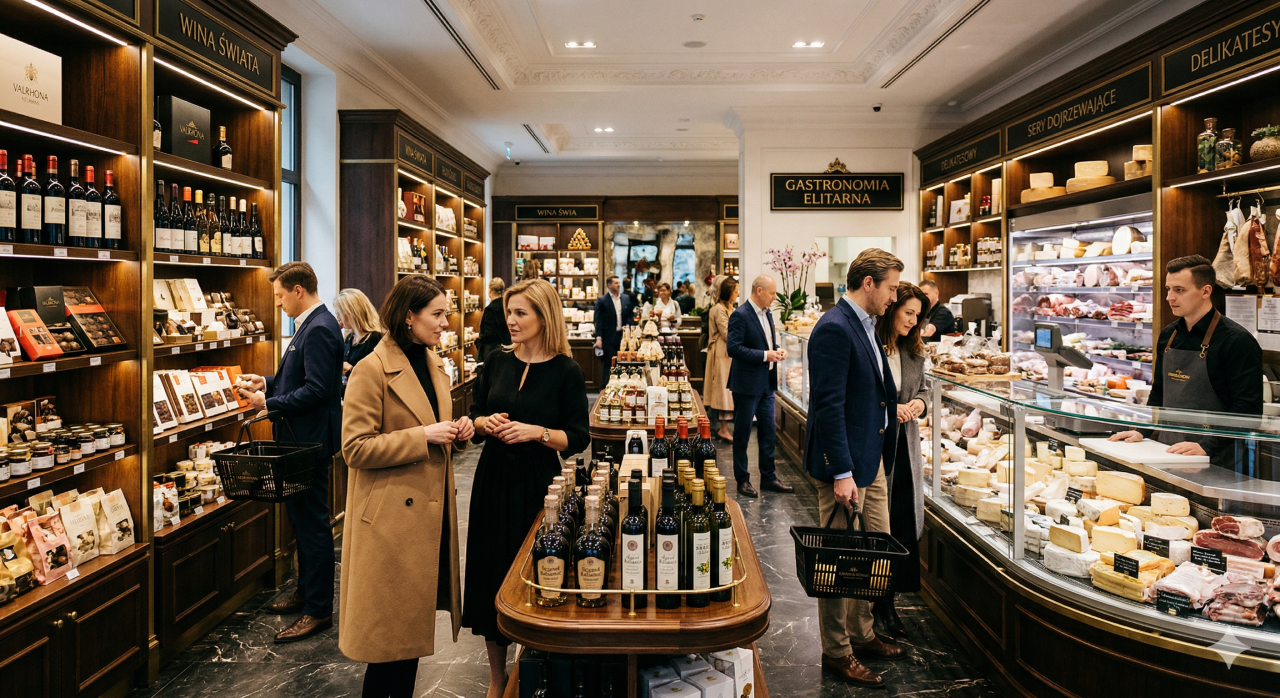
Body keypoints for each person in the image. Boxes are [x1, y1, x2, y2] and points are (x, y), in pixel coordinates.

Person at [339, 275, 474, 698]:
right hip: (389, 526)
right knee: (389, 644)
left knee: (406, 642)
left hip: (424, 517)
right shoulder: (371, 368)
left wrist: (459, 432)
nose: (445, 323)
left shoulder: (431, 361)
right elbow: (355, 449)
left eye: (446, 314)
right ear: (409, 316)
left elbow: (435, 424)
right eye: (437, 314)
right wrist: (424, 437)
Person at [464, 279, 590, 698]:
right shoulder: (497, 362)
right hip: (492, 479)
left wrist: (537, 432)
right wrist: (486, 424)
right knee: (489, 573)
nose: (510, 321)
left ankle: (533, 669)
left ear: (543, 317)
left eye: (520, 313)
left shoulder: (566, 371)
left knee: (537, 571)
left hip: (539, 485)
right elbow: (476, 416)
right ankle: (497, 678)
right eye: (508, 312)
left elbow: (577, 437)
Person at [803, 248, 907, 687]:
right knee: (839, 561)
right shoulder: (833, 328)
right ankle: (837, 651)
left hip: (872, 460)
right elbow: (827, 407)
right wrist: (842, 472)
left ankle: (862, 633)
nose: (895, 296)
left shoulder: (866, 324)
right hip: (844, 467)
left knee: (873, 555)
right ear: (869, 284)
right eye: (891, 288)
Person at [237, 262, 342, 643]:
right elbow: (299, 379)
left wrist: (268, 401)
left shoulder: (319, 328)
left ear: (299, 290)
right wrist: (265, 381)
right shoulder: (313, 325)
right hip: (300, 439)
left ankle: (318, 610)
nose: (278, 303)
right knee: (301, 523)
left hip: (309, 442)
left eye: (280, 295)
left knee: (313, 527)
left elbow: (317, 390)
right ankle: (305, 592)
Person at [1109, 255, 1263, 461]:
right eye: (1168, 289)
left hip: (1217, 460)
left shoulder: (1237, 341)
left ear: (1206, 291)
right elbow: (1159, 394)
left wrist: (1207, 446)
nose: (1169, 298)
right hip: (1165, 451)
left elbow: (1248, 412)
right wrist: (1142, 431)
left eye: (1179, 290)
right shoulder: (1168, 336)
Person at [872, 281, 932, 641]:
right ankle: (874, 602)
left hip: (906, 450)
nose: (913, 321)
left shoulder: (914, 351)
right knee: (879, 528)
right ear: (892, 307)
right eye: (908, 312)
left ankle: (888, 602)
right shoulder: (873, 346)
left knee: (901, 529)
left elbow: (924, 390)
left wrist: (919, 405)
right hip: (878, 449)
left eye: (918, 315)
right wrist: (888, 409)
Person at [726, 275, 794, 498]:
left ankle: (769, 477)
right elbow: (734, 349)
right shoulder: (740, 315)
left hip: (766, 384)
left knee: (768, 432)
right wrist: (766, 355)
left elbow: (766, 342)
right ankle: (742, 480)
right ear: (759, 290)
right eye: (772, 293)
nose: (775, 297)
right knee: (743, 434)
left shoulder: (768, 314)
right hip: (746, 384)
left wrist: (776, 350)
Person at [703, 277, 738, 442]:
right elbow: (727, 332)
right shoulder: (718, 309)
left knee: (726, 390)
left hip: (726, 353)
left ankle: (724, 427)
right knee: (723, 391)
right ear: (728, 292)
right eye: (735, 291)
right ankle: (723, 429)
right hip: (721, 354)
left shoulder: (728, 307)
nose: (737, 294)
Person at [333, 288, 384, 381]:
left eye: (339, 313)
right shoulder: (349, 338)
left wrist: (350, 369)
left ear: (351, 312)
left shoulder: (376, 338)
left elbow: (377, 377)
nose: (338, 317)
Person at [593, 275, 636, 378]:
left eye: (619, 282)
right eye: (616, 283)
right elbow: (598, 320)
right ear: (609, 285)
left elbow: (630, 316)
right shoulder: (602, 300)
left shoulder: (626, 298)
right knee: (608, 363)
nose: (619, 285)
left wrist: (630, 328)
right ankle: (604, 387)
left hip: (622, 337)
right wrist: (599, 338)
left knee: (623, 362)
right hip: (608, 336)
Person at [476, 278, 512, 363]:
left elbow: (489, 334)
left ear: (490, 291)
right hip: (508, 346)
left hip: (493, 351)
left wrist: (478, 336)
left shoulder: (490, 309)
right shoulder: (507, 305)